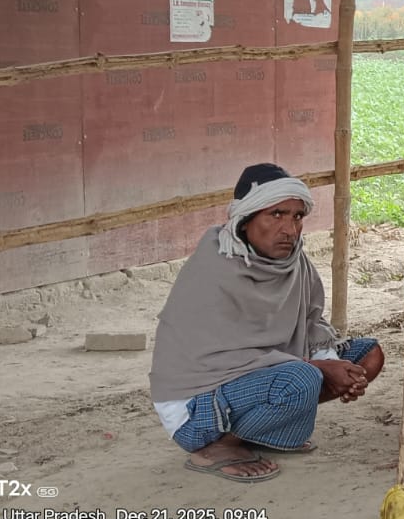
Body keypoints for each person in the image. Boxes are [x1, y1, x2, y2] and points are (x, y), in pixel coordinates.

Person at [150, 163, 384, 482]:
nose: (289, 229)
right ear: (245, 219)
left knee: (368, 356)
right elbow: (226, 358)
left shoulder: (295, 262)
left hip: (266, 375)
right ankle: (218, 447)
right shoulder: (214, 270)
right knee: (302, 378)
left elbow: (312, 323)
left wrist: (335, 364)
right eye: (276, 215)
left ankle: (261, 431)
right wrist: (319, 368)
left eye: (297, 216)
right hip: (197, 406)